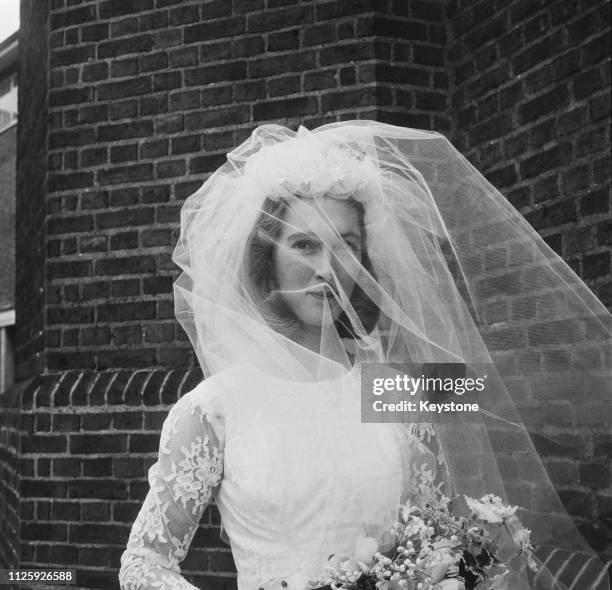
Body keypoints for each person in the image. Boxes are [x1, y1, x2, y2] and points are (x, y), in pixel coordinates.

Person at [119, 122, 611, 590]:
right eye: (306, 244)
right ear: (266, 259)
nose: (329, 269)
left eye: (346, 246)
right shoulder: (216, 409)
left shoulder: (391, 392)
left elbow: (434, 536)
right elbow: (144, 564)